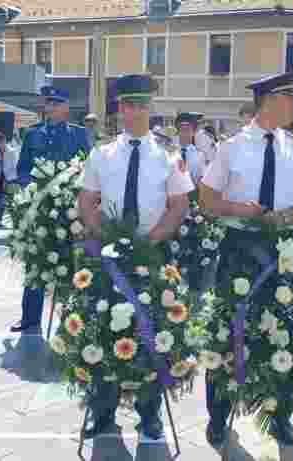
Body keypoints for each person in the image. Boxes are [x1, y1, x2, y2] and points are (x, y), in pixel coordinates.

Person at [199, 72, 293, 449]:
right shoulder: (232, 147)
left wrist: (282, 218)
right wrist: (241, 209)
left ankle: (280, 417)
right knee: (227, 334)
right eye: (290, 98)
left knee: (286, 333)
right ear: (270, 100)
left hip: (284, 252)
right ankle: (218, 418)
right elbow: (206, 200)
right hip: (240, 249)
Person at [77, 74, 194, 441]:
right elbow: (86, 202)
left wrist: (149, 239)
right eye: (130, 104)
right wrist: (104, 234)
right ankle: (103, 411)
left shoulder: (169, 156)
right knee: (102, 328)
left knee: (153, 334)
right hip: (111, 255)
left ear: (150, 108)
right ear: (120, 108)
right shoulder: (102, 153)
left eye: (143, 104)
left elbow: (179, 207)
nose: (136, 111)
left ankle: (150, 414)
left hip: (152, 254)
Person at [10, 86, 92, 333]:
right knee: (36, 260)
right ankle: (29, 318)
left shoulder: (79, 135)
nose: (52, 108)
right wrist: (33, 191)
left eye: (57, 103)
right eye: (49, 103)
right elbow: (23, 169)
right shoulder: (33, 135)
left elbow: (87, 168)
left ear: (67, 107)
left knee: (71, 261)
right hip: (38, 208)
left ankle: (72, 317)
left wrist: (72, 192)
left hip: (69, 209)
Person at [174, 112, 206, 182]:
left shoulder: (200, 155)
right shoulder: (171, 152)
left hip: (192, 190)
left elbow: (201, 177)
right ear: (178, 131)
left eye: (188, 129)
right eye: (182, 129)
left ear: (194, 132)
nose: (185, 133)